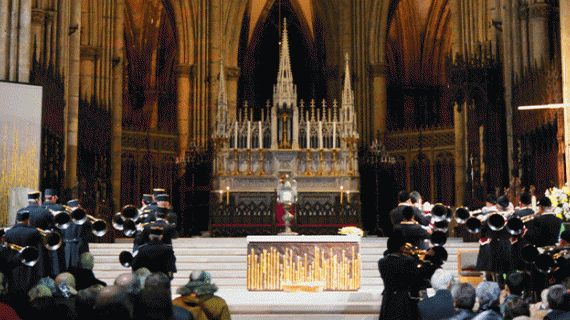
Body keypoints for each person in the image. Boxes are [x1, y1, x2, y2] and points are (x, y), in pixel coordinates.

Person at [377, 230, 438, 319]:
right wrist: (427, 257)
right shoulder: (408, 261)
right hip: (404, 300)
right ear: (401, 247)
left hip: (388, 299)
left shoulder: (381, 262)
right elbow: (423, 273)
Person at [3, 211, 46, 300]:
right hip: (30, 269)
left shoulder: (8, 233)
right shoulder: (34, 232)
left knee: (14, 297)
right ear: (28, 220)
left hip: (14, 269)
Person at [477, 195, 513, 285]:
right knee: (504, 271)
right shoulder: (512, 216)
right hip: (506, 245)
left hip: (493, 246)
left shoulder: (490, 215)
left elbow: (483, 227)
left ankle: (493, 284)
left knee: (493, 270)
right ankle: (504, 284)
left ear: (497, 205)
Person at [62, 199, 93, 270]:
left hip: (67, 246)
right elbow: (89, 230)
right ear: (77, 206)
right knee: (80, 268)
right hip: (79, 246)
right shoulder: (83, 216)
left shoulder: (63, 216)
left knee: (68, 267)